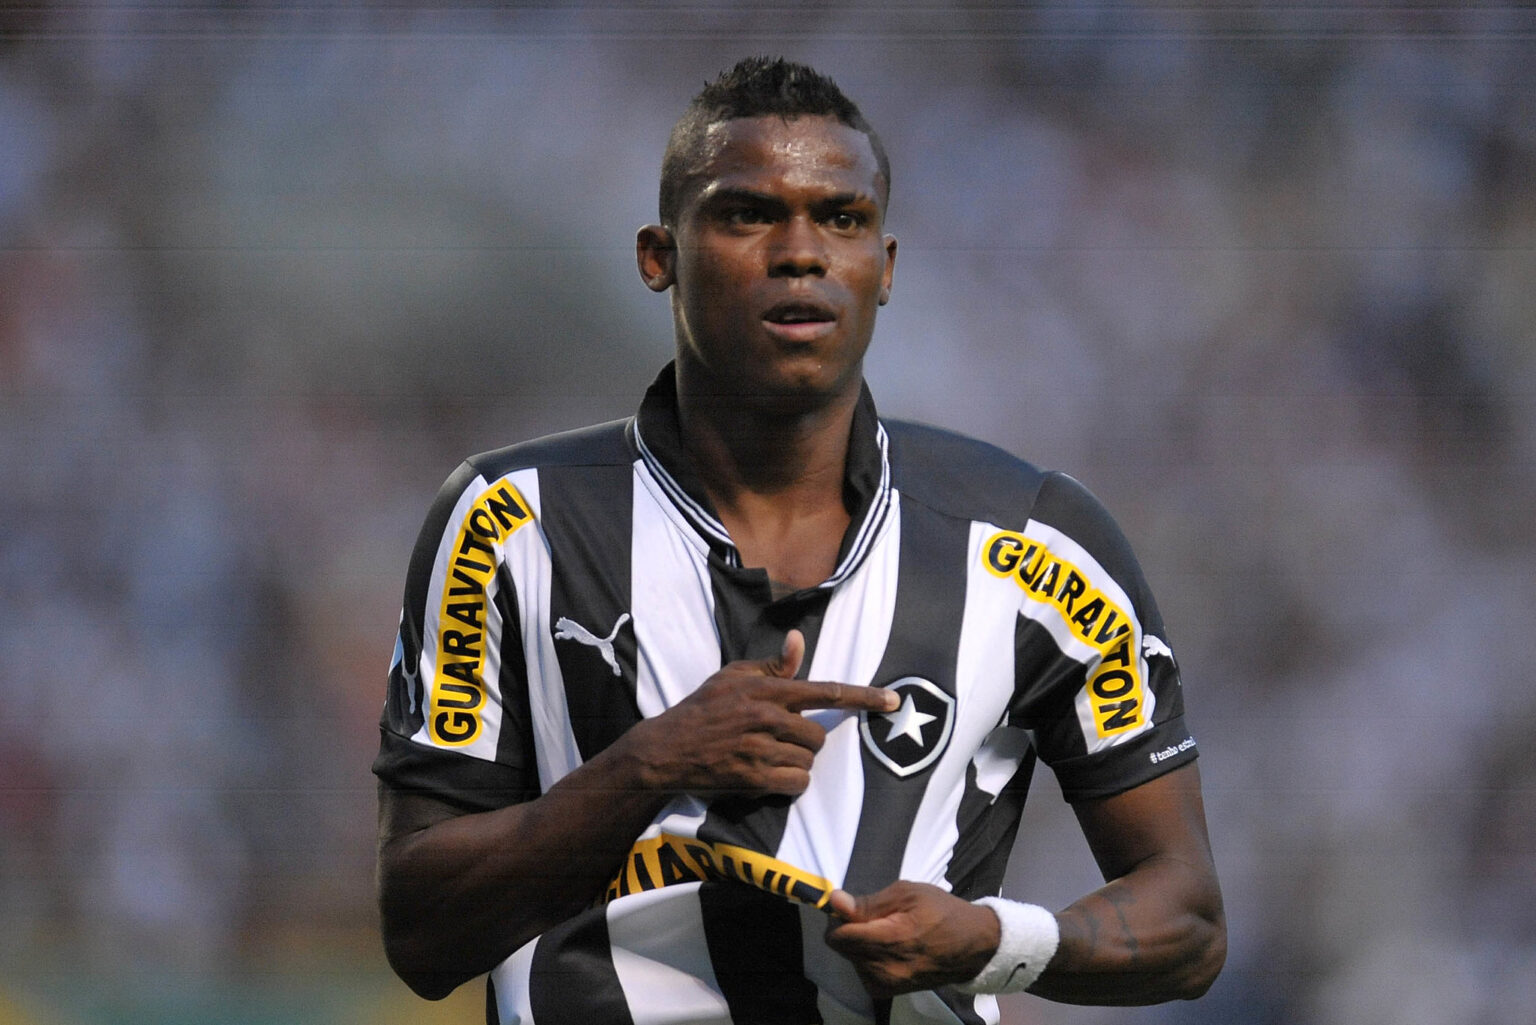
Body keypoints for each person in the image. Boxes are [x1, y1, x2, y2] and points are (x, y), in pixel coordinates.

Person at [374, 56, 1225, 1024]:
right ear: (658, 256)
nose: (801, 253)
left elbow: (1189, 920)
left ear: (885, 268)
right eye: (748, 215)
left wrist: (995, 942)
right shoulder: (510, 519)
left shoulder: (1032, 542)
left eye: (841, 218)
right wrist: (648, 766)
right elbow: (422, 930)